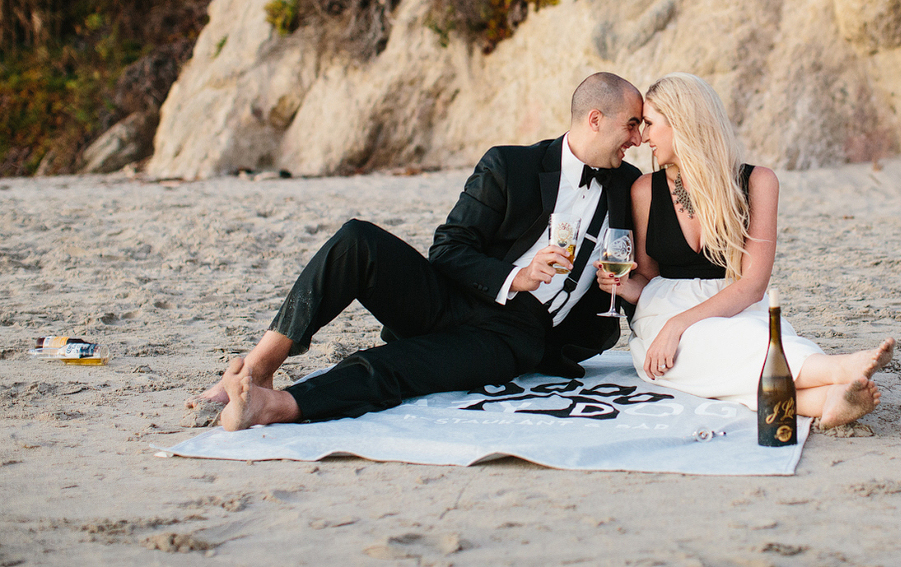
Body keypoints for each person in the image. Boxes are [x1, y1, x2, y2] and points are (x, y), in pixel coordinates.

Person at [188, 72, 645, 431]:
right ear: (594, 119)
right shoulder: (511, 165)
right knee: (356, 240)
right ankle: (262, 365)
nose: (638, 139)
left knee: (404, 367)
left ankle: (276, 406)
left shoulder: (630, 186)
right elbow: (448, 249)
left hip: (517, 336)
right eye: (631, 124)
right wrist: (517, 276)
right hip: (457, 295)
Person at [597, 73, 895, 428]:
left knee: (746, 340)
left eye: (649, 123)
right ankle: (835, 369)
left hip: (732, 303)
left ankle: (825, 399)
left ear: (683, 123)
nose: (643, 137)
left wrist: (680, 325)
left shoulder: (757, 182)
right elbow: (650, 278)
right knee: (719, 345)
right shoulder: (645, 190)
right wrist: (628, 288)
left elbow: (753, 284)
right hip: (661, 312)